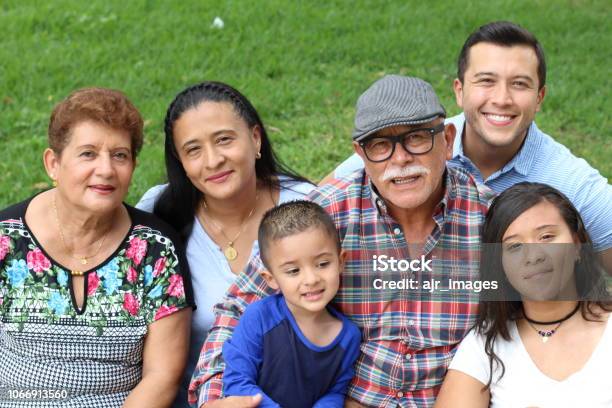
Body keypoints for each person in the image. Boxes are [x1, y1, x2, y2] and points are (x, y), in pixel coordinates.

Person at [189, 75, 494, 407]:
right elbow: (237, 308)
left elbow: (551, 316)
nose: (401, 159)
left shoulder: (492, 220)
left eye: (417, 138)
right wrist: (215, 397)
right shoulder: (327, 214)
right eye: (380, 145)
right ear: (360, 153)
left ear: (448, 140)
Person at [326, 21, 612, 262]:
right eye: (486, 81)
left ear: (539, 98)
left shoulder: (571, 181)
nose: (502, 99)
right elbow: (314, 206)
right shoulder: (417, 143)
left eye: (520, 84)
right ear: (459, 91)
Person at [0, 88, 194, 407]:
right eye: (88, 153)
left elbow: (162, 376)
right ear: (53, 163)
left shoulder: (155, 249)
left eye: (119, 155)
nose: (105, 170)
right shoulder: (7, 238)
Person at [136, 81, 314, 407]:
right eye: (193, 150)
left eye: (224, 140)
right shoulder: (159, 213)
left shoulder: (307, 208)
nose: (213, 160)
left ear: (255, 138)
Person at [435, 182, 612, 407]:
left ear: (577, 245)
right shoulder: (485, 345)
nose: (533, 256)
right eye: (514, 247)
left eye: (547, 237)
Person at [222, 200, 361, 407]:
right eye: (293, 271)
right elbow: (237, 382)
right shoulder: (259, 318)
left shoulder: (348, 336)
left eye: (323, 264)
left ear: (340, 261)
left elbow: (334, 390)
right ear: (271, 279)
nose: (311, 279)